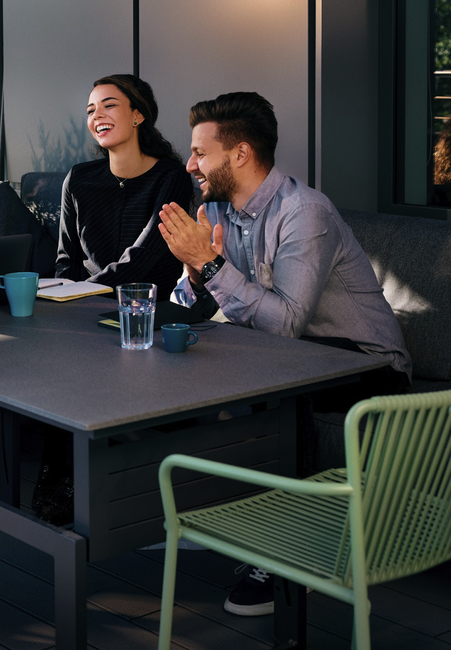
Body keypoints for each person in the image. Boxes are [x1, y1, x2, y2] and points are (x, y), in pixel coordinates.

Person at [158, 91, 411, 616]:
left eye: (201, 153)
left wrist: (209, 267)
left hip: (367, 363)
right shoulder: (223, 210)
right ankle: (214, 513)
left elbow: (288, 322)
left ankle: (295, 553)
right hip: (291, 355)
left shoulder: (304, 211)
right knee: (188, 364)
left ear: (241, 154)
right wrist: (192, 273)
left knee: (277, 389)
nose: (190, 164)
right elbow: (216, 307)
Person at [33, 74, 194, 525]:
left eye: (108, 106)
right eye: (90, 111)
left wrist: (83, 292)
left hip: (149, 316)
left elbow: (145, 257)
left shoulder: (171, 178)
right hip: (84, 312)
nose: (97, 117)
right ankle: (61, 483)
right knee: (53, 361)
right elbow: (66, 260)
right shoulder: (79, 180)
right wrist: (66, 300)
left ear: (139, 114)